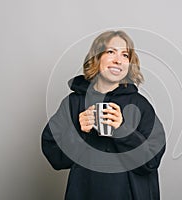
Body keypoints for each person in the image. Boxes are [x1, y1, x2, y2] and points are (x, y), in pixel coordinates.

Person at [41, 30, 166, 200]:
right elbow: (54, 156)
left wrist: (123, 130)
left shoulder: (140, 105)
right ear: (97, 57)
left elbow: (151, 162)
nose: (118, 60)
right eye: (110, 52)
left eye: (125, 55)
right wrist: (78, 131)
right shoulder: (74, 102)